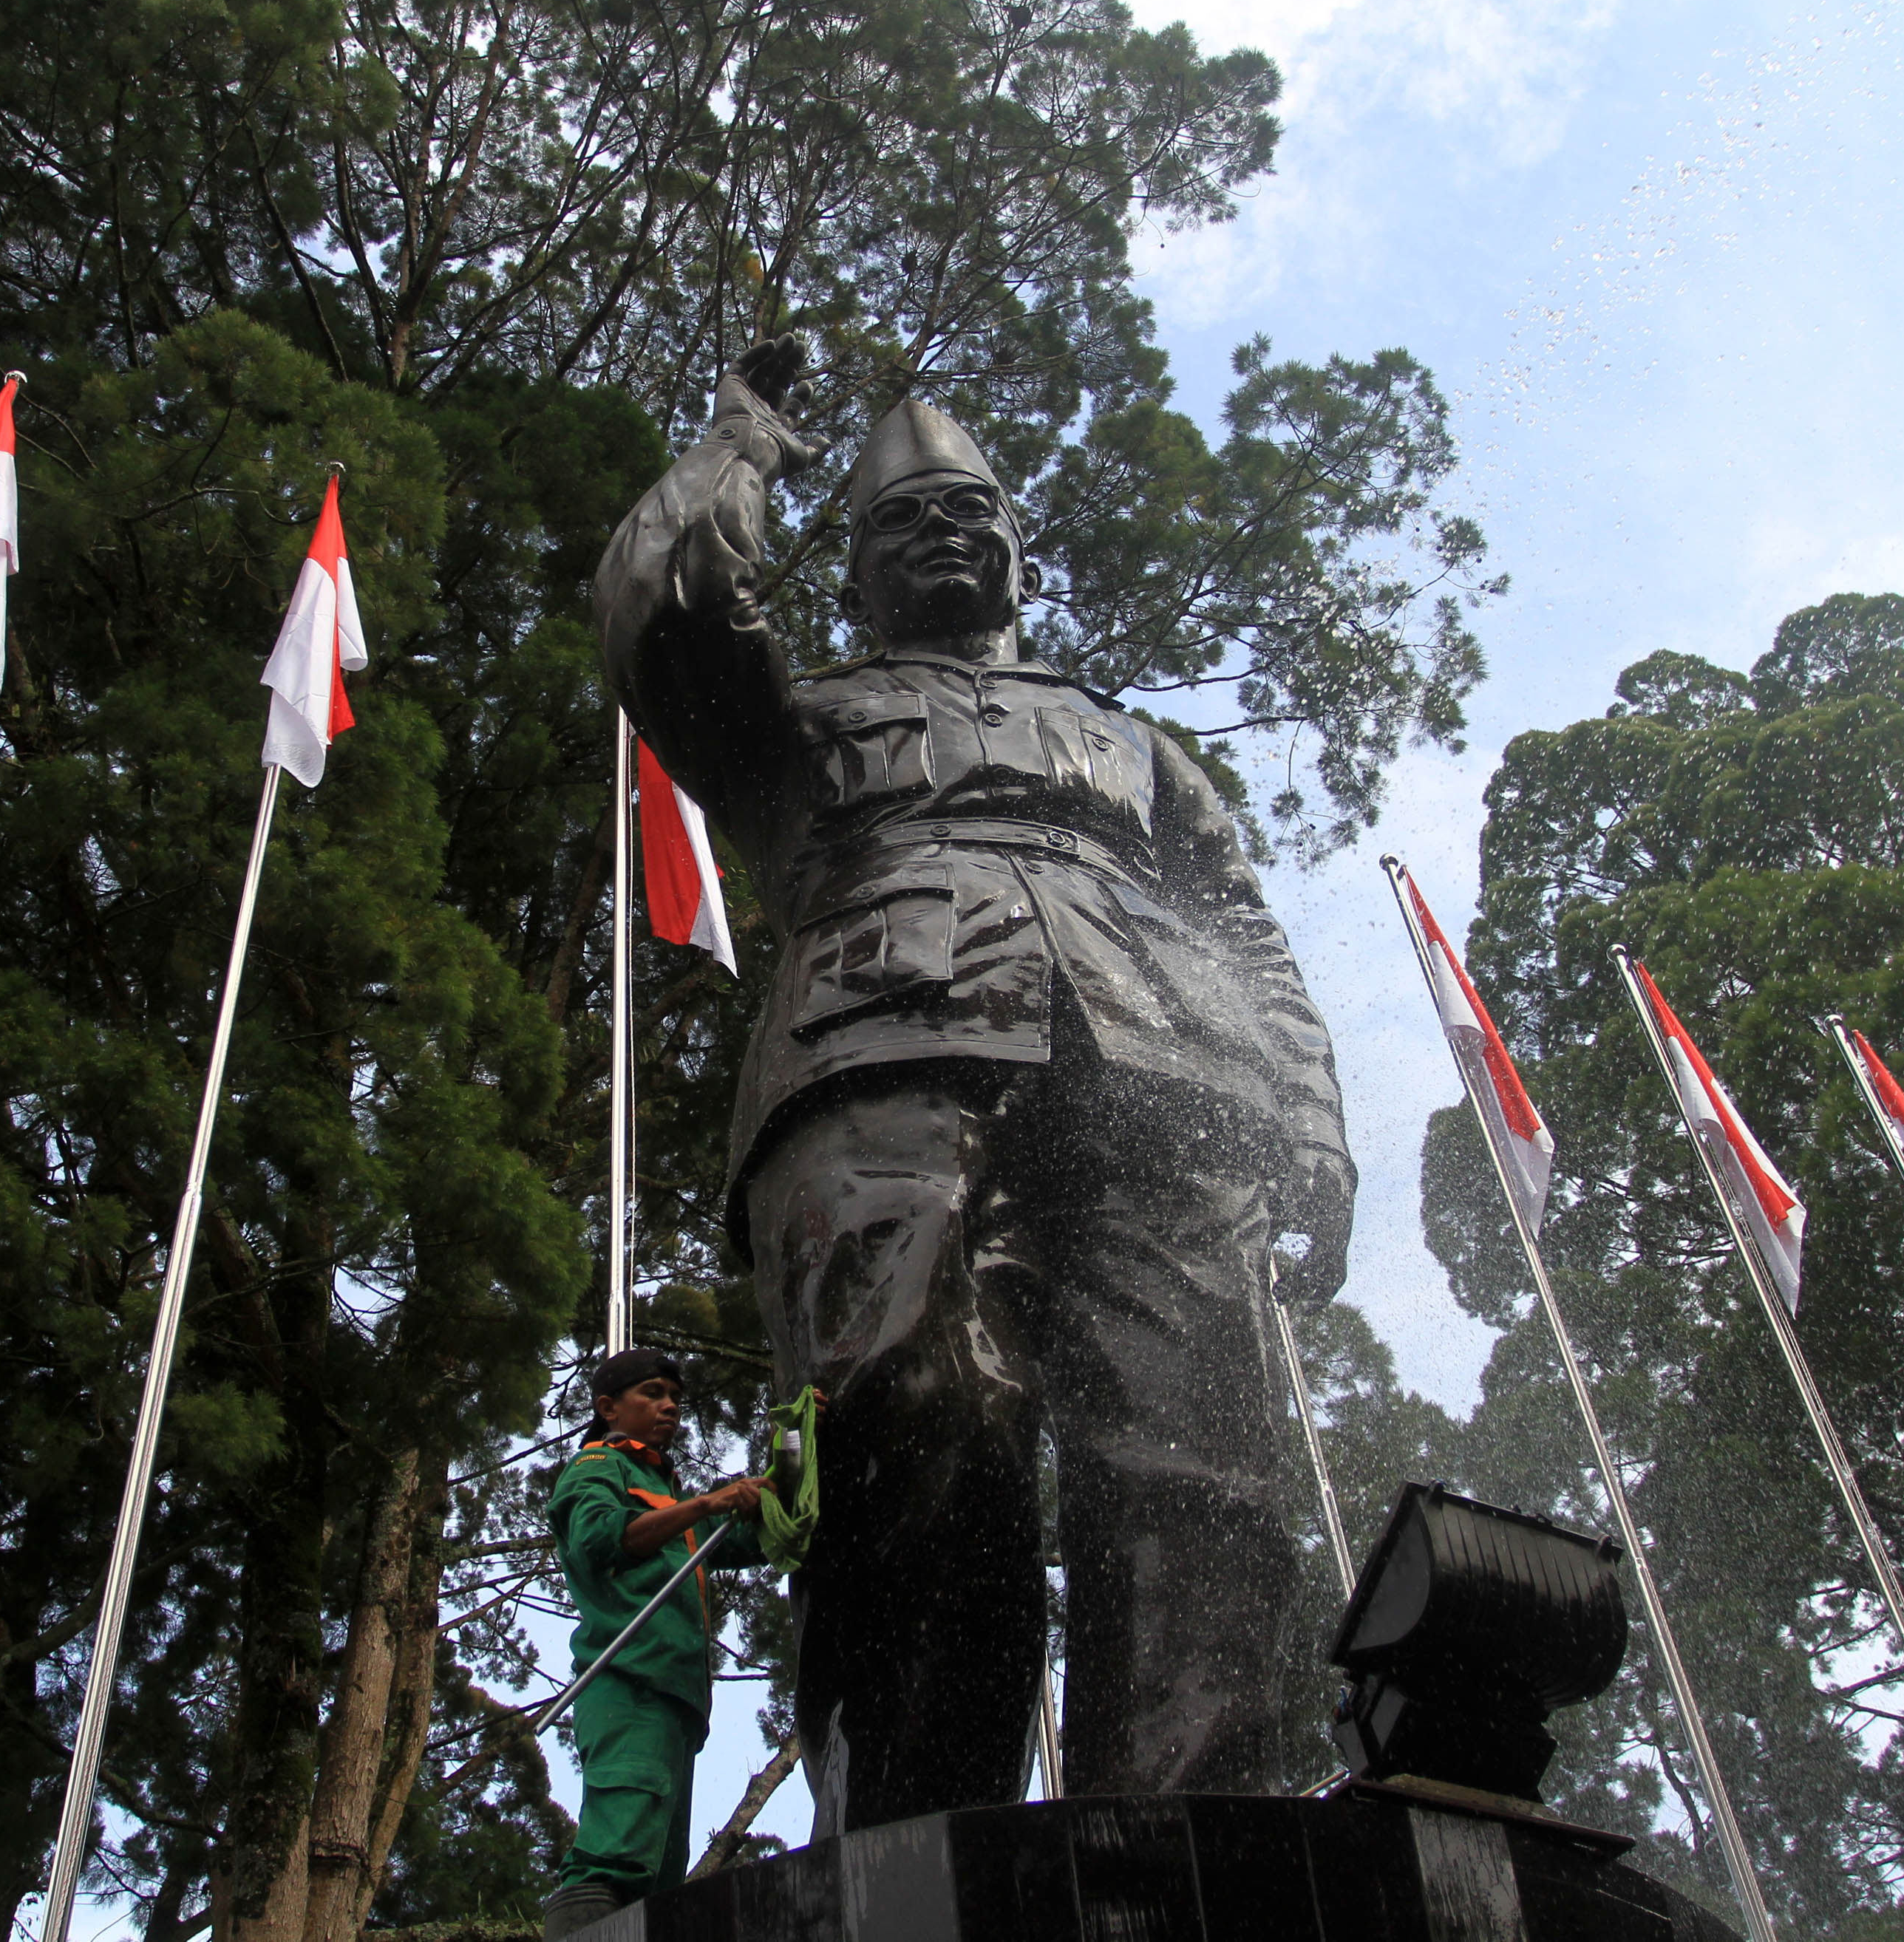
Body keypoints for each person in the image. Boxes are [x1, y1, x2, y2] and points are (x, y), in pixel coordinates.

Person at [593, 338, 1356, 1833]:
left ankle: (1191, 1841)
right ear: (853, 573)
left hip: (1167, 1078)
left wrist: (1310, 1117)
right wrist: (742, 438)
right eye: (899, 523)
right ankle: (912, 1846)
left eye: (972, 513)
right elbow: (665, 610)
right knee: (919, 1425)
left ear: (1018, 549)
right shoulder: (797, 725)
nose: (943, 531)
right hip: (881, 1055)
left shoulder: (1139, 753)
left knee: (1203, 1458)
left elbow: (1245, 931)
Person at [540, 1348, 773, 1938]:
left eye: (674, 1396)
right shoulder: (597, 1465)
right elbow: (601, 1539)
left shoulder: (664, 1492)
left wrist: (798, 1450)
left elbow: (752, 1537)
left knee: (659, 1873)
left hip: (676, 1700)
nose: (669, 1405)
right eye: (652, 1392)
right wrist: (707, 1501)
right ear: (607, 1406)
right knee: (617, 1852)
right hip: (630, 1683)